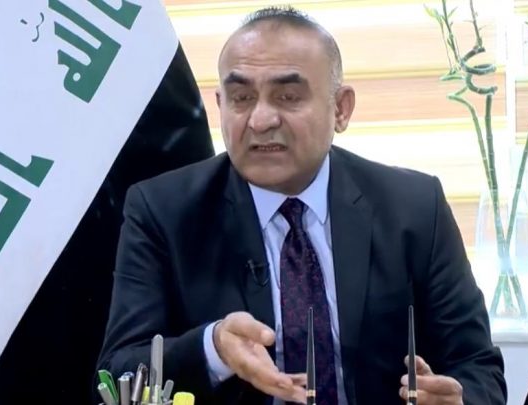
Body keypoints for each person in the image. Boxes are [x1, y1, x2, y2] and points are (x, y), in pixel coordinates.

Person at [97, 6, 506, 405]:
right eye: (241, 98)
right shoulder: (162, 211)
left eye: (288, 96)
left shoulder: (414, 207)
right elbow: (118, 373)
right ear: (220, 105)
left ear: (340, 108)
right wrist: (214, 347)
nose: (260, 120)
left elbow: (478, 367)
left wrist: (460, 399)